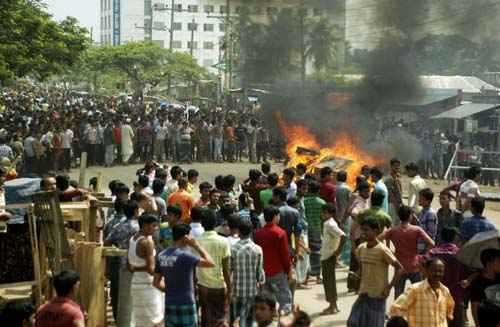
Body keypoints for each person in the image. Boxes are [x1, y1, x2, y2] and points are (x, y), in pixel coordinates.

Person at [153, 224, 215, 327]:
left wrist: (170, 290)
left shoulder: (161, 255)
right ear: (186, 237)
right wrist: (196, 246)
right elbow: (210, 263)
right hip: (186, 304)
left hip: (169, 304)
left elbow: (156, 283)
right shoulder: (185, 256)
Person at [347, 218, 403, 327]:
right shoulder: (361, 248)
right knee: (353, 322)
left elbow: (400, 268)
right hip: (363, 293)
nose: (363, 233)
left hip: (378, 295)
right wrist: (356, 274)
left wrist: (389, 287)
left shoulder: (383, 250)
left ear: (376, 231)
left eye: (367, 230)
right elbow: (362, 267)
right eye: (362, 230)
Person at [379, 205, 435, 299]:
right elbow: (431, 243)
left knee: (398, 296)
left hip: (399, 267)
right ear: (410, 216)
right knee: (419, 295)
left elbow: (378, 239)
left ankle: (397, 314)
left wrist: (389, 252)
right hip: (415, 265)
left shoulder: (393, 230)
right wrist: (424, 257)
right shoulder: (416, 229)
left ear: (399, 216)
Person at [390, 257, 455, 327]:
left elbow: (449, 310)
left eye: (440, 271)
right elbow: (395, 309)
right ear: (426, 271)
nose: (437, 273)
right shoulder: (415, 290)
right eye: (434, 270)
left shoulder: (445, 291)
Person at [104, 200, 139, 321]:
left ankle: (118, 320)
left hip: (120, 265)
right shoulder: (140, 227)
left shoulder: (118, 226)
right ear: (136, 211)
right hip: (138, 266)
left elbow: (107, 241)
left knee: (118, 295)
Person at [197, 209, 232, 327]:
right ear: (215, 222)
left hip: (202, 286)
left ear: (202, 224)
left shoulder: (197, 242)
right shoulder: (223, 241)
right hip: (219, 286)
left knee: (205, 317)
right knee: (219, 318)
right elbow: (226, 269)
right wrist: (230, 288)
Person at [255, 206, 293, 314]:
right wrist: (289, 270)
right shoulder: (280, 233)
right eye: (278, 215)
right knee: (285, 300)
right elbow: (285, 255)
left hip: (263, 271)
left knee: (267, 299)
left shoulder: (258, 233)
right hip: (278, 270)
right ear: (275, 217)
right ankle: (284, 320)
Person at [128, 213, 164, 327]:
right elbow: (151, 269)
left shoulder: (133, 239)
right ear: (145, 225)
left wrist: (137, 268)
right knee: (155, 320)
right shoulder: (147, 242)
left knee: (140, 322)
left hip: (136, 284)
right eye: (153, 226)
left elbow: (130, 266)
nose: (156, 228)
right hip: (148, 286)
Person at [427, 227, 467, 327]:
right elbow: (468, 274)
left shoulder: (433, 253)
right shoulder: (461, 254)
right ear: (454, 238)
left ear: (441, 237)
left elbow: (420, 262)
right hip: (456, 297)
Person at [230, 220, 265, 327]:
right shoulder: (258, 249)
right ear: (250, 232)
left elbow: (230, 269)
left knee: (237, 317)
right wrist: (261, 289)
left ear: (239, 232)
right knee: (249, 319)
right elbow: (260, 273)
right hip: (252, 291)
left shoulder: (233, 248)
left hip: (237, 291)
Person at [320, 203, 345, 315]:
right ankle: (332, 305)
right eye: (322, 212)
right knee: (327, 281)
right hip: (326, 255)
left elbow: (343, 236)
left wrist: (338, 252)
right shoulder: (327, 224)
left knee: (329, 281)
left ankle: (333, 306)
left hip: (329, 256)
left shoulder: (330, 224)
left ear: (330, 214)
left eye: (325, 213)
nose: (322, 214)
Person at [469, 248, 500, 327]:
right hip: (486, 322)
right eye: (498, 261)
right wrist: (477, 325)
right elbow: (474, 306)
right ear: (489, 263)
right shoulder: (477, 283)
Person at [303, 180, 326, 283]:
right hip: (317, 229)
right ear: (318, 190)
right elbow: (323, 218)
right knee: (317, 253)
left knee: (306, 253)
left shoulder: (304, 201)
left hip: (306, 230)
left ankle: (306, 276)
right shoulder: (322, 202)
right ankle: (317, 276)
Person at [273, 187, 301, 256]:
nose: (272, 198)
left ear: (278, 197)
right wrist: (297, 252)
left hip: (276, 246)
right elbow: (297, 234)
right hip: (289, 246)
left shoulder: (273, 211)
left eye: (273, 196)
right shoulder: (295, 212)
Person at [385, 158, 403, 224]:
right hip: (392, 205)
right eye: (395, 165)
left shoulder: (397, 178)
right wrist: (397, 206)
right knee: (392, 224)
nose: (397, 167)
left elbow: (400, 193)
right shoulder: (389, 179)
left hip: (398, 205)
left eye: (398, 166)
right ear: (391, 166)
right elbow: (391, 194)